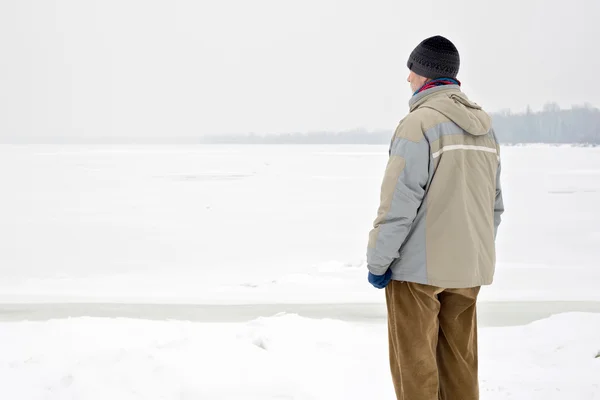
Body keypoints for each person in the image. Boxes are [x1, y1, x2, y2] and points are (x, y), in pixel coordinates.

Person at [366, 35, 504, 400]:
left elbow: (398, 203)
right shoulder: (485, 129)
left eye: (411, 70)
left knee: (415, 369)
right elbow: (494, 206)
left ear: (425, 74)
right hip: (468, 269)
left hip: (415, 274)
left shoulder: (418, 125)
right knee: (460, 366)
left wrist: (379, 262)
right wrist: (472, 252)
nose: (407, 78)